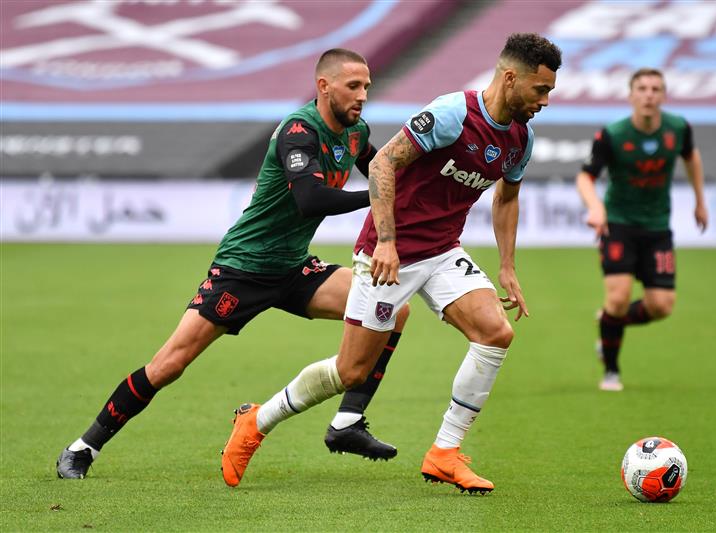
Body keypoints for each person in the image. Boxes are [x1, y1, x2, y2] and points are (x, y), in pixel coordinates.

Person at [220, 33, 562, 494]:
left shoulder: (522, 137)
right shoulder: (451, 114)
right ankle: (255, 422)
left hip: (442, 251)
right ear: (509, 78)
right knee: (351, 371)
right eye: (540, 90)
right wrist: (386, 241)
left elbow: (507, 197)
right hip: (389, 253)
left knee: (496, 332)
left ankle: (444, 453)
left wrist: (507, 267)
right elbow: (382, 163)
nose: (545, 100)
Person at [55, 48, 411, 479]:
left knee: (392, 309)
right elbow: (310, 199)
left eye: (367, 87)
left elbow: (383, 172)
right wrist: (378, 197)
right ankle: (83, 447)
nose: (363, 96)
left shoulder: (355, 133)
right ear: (324, 87)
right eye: (353, 86)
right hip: (243, 268)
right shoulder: (299, 131)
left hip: (294, 268)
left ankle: (347, 423)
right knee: (169, 364)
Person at [575, 67, 708, 392]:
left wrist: (699, 200)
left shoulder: (678, 128)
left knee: (662, 306)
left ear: (663, 95)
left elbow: (691, 157)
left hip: (657, 226)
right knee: (618, 299)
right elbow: (585, 177)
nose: (649, 94)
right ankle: (611, 370)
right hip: (618, 224)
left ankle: (609, 323)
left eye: (655, 89)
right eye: (643, 88)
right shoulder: (613, 134)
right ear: (631, 94)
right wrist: (596, 207)